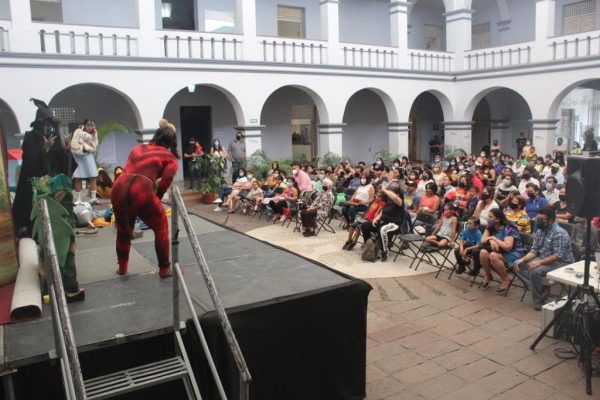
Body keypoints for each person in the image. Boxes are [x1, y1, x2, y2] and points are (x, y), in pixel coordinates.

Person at [111, 119, 179, 277]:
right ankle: (164, 269)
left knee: (123, 230)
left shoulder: (137, 148)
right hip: (141, 189)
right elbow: (165, 182)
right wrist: (157, 198)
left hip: (119, 186)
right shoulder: (170, 158)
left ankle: (122, 268)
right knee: (161, 227)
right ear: (172, 141)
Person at [515, 207, 575, 310]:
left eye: (542, 219)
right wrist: (523, 259)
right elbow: (534, 251)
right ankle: (542, 286)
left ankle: (538, 300)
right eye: (538, 218)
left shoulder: (559, 233)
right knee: (518, 264)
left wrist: (539, 263)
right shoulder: (540, 231)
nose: (538, 221)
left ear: (551, 221)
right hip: (544, 259)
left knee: (535, 271)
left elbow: (558, 255)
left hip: (561, 263)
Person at [478, 208, 525, 292]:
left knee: (493, 255)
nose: (488, 218)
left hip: (514, 252)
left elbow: (508, 247)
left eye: (490, 217)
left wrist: (494, 238)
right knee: (483, 252)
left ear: (497, 219)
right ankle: (488, 275)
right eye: (488, 216)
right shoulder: (490, 227)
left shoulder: (509, 229)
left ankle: (506, 279)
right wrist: (491, 240)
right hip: (500, 251)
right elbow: (482, 240)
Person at [371, 185, 405, 262]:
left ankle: (385, 252)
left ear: (398, 194)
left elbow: (394, 197)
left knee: (382, 230)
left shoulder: (400, 201)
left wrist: (384, 189)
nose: (389, 194)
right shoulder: (388, 201)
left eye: (391, 192)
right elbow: (382, 212)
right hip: (384, 221)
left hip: (395, 225)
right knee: (365, 225)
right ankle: (371, 248)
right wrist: (375, 219)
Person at [70, 118, 100, 204]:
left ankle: (93, 197)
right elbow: (73, 144)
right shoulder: (78, 131)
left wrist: (90, 145)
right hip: (79, 157)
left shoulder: (94, 133)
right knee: (78, 178)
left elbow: (95, 146)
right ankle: (78, 199)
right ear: (84, 125)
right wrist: (84, 148)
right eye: (88, 125)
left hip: (88, 157)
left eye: (92, 125)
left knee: (92, 177)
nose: (90, 127)